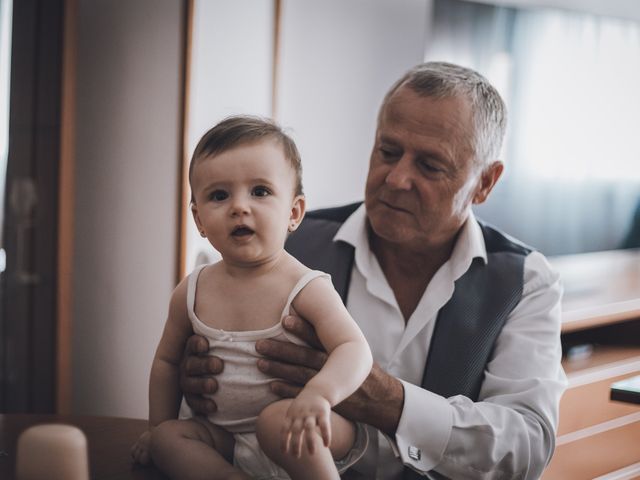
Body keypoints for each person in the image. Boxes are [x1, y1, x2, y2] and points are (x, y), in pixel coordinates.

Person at [180, 62, 567, 479]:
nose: (397, 178)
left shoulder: (525, 281)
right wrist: (202, 379)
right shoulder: (275, 240)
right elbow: (199, 406)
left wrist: (392, 403)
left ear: (485, 183)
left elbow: (527, 446)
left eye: (430, 166)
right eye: (388, 151)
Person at [131, 116, 373, 479]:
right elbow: (166, 363)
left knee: (275, 419)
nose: (239, 207)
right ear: (199, 220)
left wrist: (320, 394)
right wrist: (157, 428)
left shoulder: (305, 286)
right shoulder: (191, 291)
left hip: (300, 425)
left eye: (259, 191)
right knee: (169, 439)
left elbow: (355, 348)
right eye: (219, 195)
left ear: (294, 212)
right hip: (224, 438)